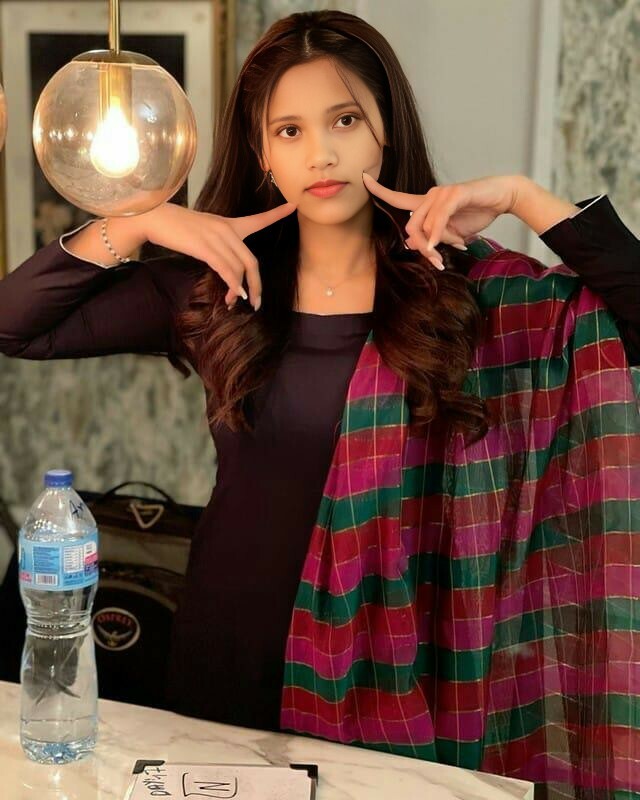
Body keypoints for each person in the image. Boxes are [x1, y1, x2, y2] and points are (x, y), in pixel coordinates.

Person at [1, 9, 639, 797]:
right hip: (230, 648)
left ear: (384, 131)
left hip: (402, 668)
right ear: (262, 152)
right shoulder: (219, 286)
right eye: (290, 131)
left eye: (344, 120)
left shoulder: (463, 290)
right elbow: (16, 325)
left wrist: (520, 195)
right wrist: (139, 223)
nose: (321, 153)